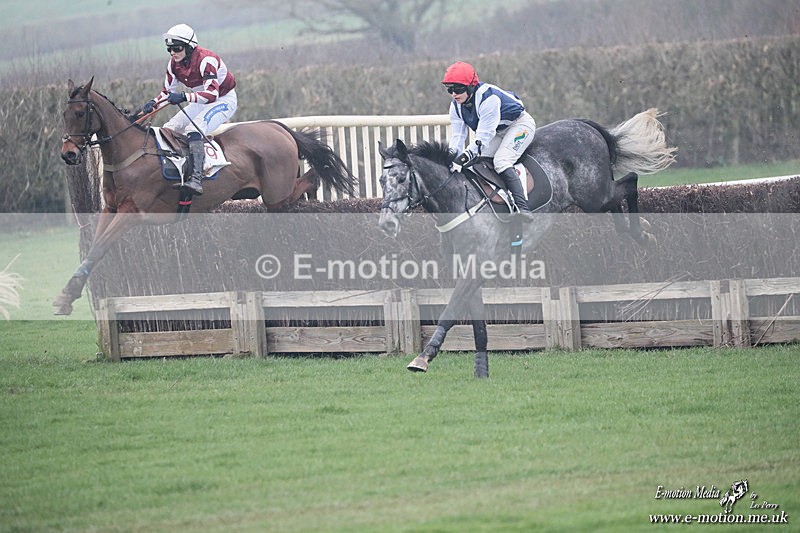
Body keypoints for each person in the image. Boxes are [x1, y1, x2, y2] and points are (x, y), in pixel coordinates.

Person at [141, 24, 237, 195]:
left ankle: (197, 178)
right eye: (169, 48)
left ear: (189, 46)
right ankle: (177, 171)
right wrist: (152, 103)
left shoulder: (206, 60)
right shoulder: (173, 65)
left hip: (223, 99)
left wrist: (184, 97)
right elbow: (167, 93)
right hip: (201, 99)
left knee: (193, 128)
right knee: (168, 128)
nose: (172, 52)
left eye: (176, 48)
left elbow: (212, 95)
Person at [442, 61, 536, 219]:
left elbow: (483, 137)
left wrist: (463, 158)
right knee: (476, 162)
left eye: (458, 89)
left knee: (501, 161)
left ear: (471, 86)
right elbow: (458, 137)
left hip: (519, 125)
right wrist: (450, 157)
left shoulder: (488, 98)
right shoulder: (455, 107)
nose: (453, 94)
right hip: (498, 132)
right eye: (450, 89)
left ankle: (522, 207)